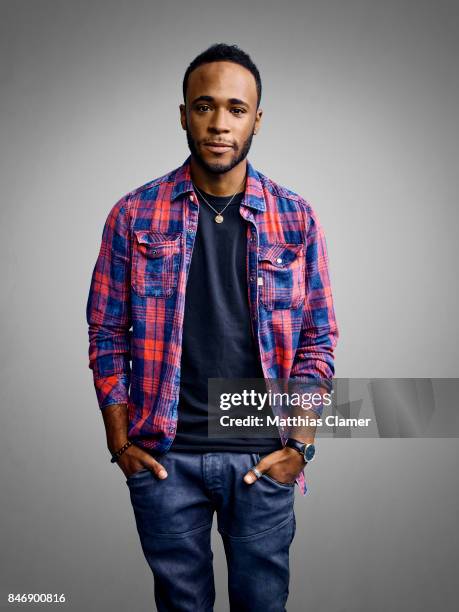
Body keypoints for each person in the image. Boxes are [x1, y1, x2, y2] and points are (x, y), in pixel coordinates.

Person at [86, 43, 339, 612]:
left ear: (256, 119)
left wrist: (302, 443)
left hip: (263, 459)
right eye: (204, 107)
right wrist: (119, 438)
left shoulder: (295, 217)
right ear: (182, 114)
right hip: (164, 459)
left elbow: (317, 341)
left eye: (235, 108)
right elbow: (106, 333)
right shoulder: (134, 214)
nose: (219, 124)